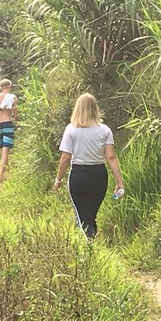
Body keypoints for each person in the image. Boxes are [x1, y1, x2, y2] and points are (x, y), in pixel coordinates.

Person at [54, 93, 124, 239]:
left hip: (79, 175)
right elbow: (111, 157)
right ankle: (92, 242)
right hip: (99, 175)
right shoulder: (105, 130)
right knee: (90, 214)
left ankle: (90, 243)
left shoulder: (71, 130)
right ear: (95, 109)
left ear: (77, 109)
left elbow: (66, 158)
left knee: (83, 216)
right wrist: (119, 182)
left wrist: (58, 180)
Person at [0, 78, 18, 182]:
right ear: (9, 87)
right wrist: (17, 118)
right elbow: (15, 114)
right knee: (6, 151)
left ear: (1, 87)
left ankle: (6, 172)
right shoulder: (13, 97)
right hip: (7, 124)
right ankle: (1, 176)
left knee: (3, 151)